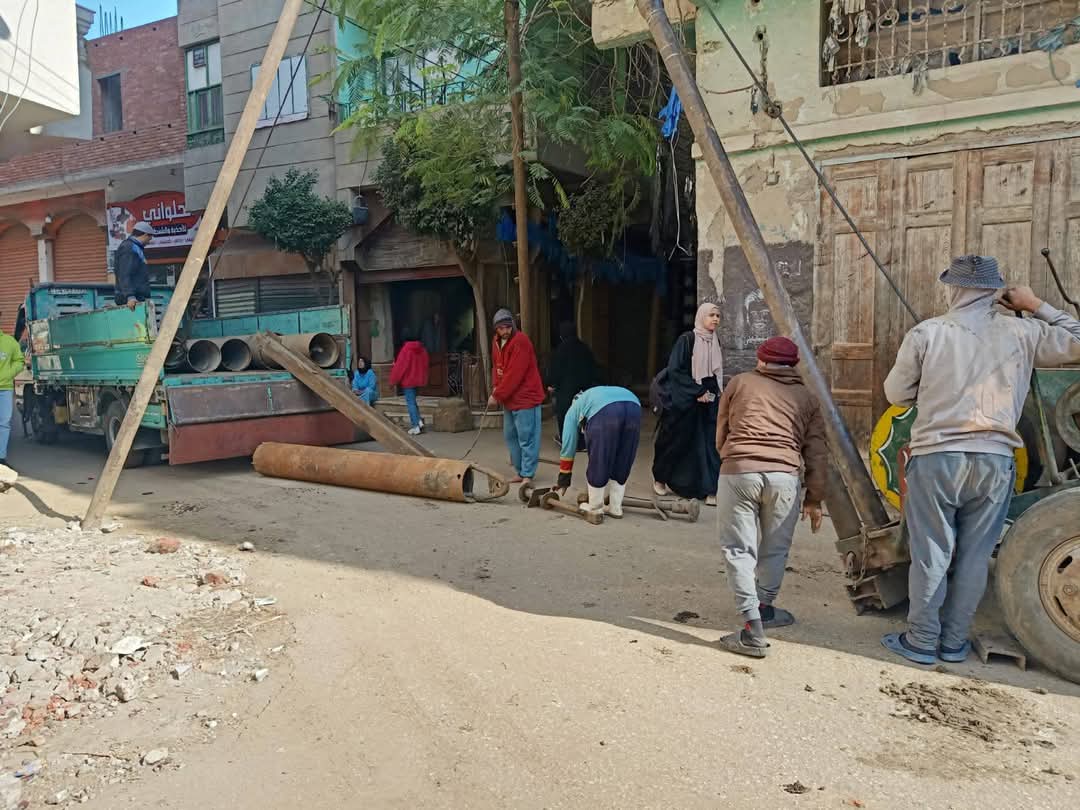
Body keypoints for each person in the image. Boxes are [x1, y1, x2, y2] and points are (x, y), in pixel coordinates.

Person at [880, 256, 1080, 666]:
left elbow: (896, 394)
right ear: (996, 292)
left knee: (932, 552)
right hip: (995, 461)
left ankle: (922, 640)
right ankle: (954, 643)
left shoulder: (928, 333)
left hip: (937, 458)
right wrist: (1035, 305)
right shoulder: (1025, 331)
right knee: (975, 555)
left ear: (953, 289)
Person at [713, 336, 828, 658]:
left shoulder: (739, 383)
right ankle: (763, 607)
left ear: (761, 360)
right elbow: (817, 451)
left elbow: (722, 430)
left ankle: (752, 629)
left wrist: (732, 459)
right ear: (793, 365)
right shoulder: (807, 397)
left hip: (739, 470)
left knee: (738, 549)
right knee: (775, 549)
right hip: (785, 478)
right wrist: (814, 499)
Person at [652, 302, 723, 504]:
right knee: (676, 440)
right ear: (701, 317)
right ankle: (660, 479)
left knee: (708, 443)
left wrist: (711, 393)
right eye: (711, 315)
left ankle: (709, 489)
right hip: (685, 397)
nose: (715, 319)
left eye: (718, 316)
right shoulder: (687, 340)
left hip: (708, 399)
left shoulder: (715, 341)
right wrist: (696, 391)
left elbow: (714, 373)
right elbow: (675, 370)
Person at [555, 386, 641, 517]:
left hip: (605, 410)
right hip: (634, 405)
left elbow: (568, 445)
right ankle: (615, 507)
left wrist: (564, 479)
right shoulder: (594, 394)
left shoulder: (573, 410)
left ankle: (595, 507)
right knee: (624, 457)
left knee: (600, 458)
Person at [489, 308, 545, 485]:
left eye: (507, 327)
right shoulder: (496, 342)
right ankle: (520, 471)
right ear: (496, 329)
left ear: (512, 325)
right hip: (510, 398)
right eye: (501, 328)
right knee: (510, 436)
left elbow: (515, 374)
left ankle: (528, 474)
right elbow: (496, 367)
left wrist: (497, 395)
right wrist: (495, 386)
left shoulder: (521, 341)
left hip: (526, 397)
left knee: (527, 437)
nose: (505, 331)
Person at [546, 320, 599, 442]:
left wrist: (550, 383)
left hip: (566, 390)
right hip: (584, 389)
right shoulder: (585, 348)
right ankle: (583, 441)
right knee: (583, 414)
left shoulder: (560, 350)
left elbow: (555, 370)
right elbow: (594, 368)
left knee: (565, 415)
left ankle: (566, 440)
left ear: (562, 335)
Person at [389, 331, 430, 435]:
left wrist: (393, 381)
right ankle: (419, 421)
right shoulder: (422, 349)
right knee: (413, 401)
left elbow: (400, 367)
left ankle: (415, 426)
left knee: (410, 402)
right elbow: (425, 365)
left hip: (408, 380)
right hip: (418, 380)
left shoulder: (406, 350)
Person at [0, 315, 25, 469]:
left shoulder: (9, 342)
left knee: (4, 423)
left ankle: (1, 459)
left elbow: (19, 361)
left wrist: (8, 373)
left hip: (4, 389)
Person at [114, 221, 155, 309]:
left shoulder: (136, 248)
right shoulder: (128, 248)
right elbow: (124, 273)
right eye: (149, 239)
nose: (148, 242)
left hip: (138, 298)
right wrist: (130, 296)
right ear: (145, 235)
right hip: (131, 301)